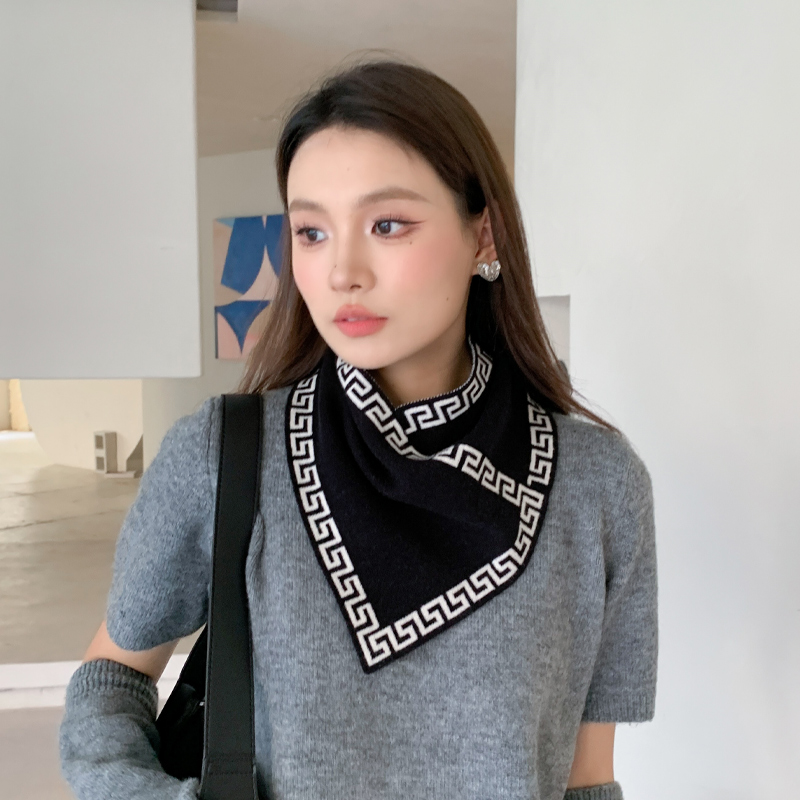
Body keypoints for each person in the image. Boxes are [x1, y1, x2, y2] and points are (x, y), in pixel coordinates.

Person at [59, 60, 657, 800]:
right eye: (311, 231)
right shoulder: (223, 455)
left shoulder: (599, 485)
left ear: (484, 234)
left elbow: (587, 779)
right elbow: (110, 680)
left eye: (386, 225)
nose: (342, 270)